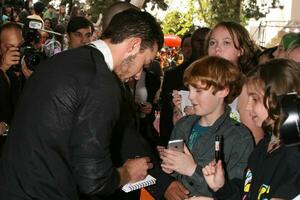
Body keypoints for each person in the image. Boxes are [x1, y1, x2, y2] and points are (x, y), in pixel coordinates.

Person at [0, 9, 163, 200]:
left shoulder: (60, 59)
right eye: (144, 64)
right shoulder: (101, 82)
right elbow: (93, 180)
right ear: (134, 45)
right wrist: (127, 172)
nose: (138, 74)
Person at [202, 58, 300, 199]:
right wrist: (221, 187)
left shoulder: (294, 158)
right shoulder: (263, 147)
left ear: (281, 100)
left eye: (255, 99)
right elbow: (246, 194)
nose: (247, 107)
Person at [159, 56, 254, 198]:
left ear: (223, 91)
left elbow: (236, 193)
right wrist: (169, 169)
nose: (190, 96)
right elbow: (174, 175)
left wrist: (192, 170)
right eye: (189, 89)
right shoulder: (183, 125)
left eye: (198, 91)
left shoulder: (239, 137)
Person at [159, 27, 210, 146]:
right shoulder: (173, 74)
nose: (203, 44)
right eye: (199, 41)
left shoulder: (222, 74)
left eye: (207, 40)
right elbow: (166, 111)